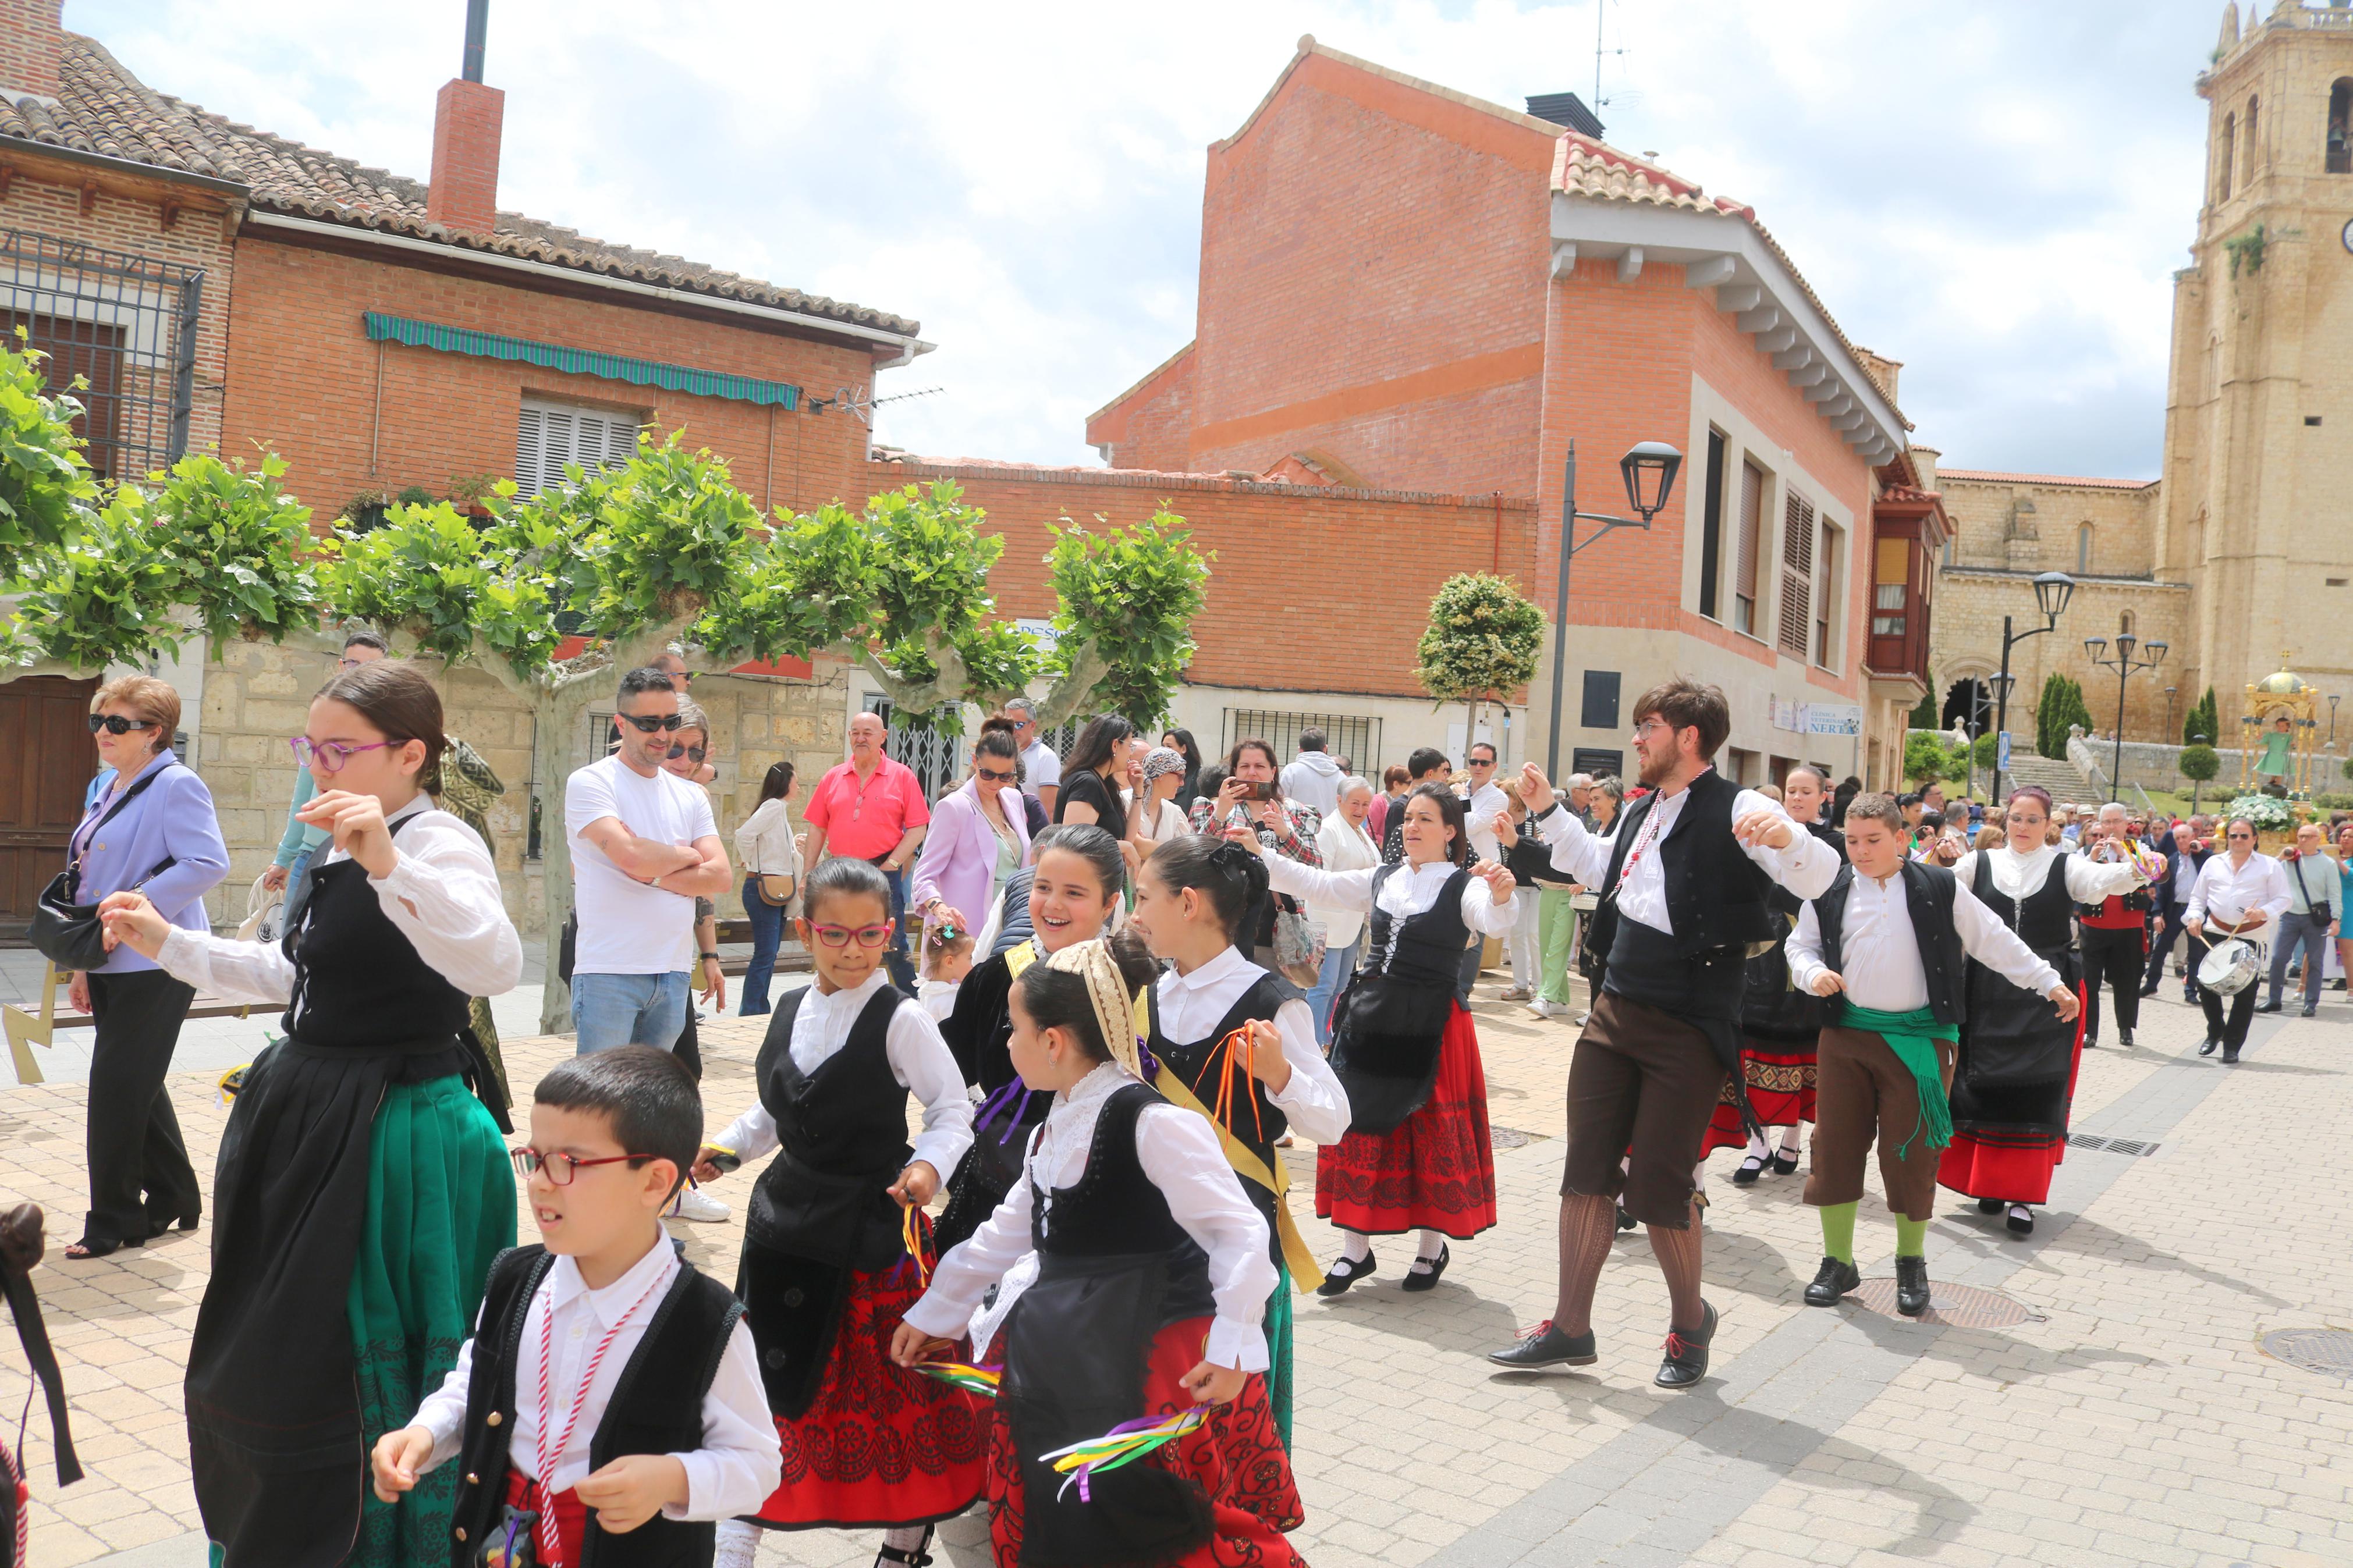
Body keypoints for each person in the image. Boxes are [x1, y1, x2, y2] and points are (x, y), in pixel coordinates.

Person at [98, 659, 519, 1563]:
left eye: (339, 748)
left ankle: (391, 1534)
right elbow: (302, 978)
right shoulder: (332, 846)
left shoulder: (439, 840)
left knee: (364, 1334)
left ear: (411, 755)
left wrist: (391, 860)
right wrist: (169, 941)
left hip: (400, 1130)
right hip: (312, 1113)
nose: (318, 766)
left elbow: (492, 965)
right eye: (310, 746)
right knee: (271, 1345)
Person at [891, 934, 1308, 1568]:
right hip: (1069, 1363)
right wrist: (933, 1314)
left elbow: (1240, 1232)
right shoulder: (1057, 1122)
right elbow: (1008, 1231)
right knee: (1072, 1528)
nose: (1006, 1043)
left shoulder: (1152, 1123)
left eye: (1016, 1029)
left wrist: (1231, 1350)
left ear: (1053, 1041)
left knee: (1158, 1529)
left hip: (1152, 1364)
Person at [1487, 680, 1838, 1389]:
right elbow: (1597, 870)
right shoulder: (1644, 810)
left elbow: (1820, 875)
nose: (1636, 739)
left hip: (1688, 1021)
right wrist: (1549, 812)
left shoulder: (1740, 804)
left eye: (1646, 726)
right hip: (1615, 1007)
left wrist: (1789, 837)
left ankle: (1688, 1322)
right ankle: (1569, 1329)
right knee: (1585, 1171)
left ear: (1686, 735)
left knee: (1659, 1187)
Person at [368, 1048, 782, 1567]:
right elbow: (475, 1383)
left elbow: (759, 1465)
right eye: (535, 1157)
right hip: (504, 1545)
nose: (540, 1181)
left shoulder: (705, 1319)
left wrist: (673, 1477)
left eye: (569, 1162)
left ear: (654, 1181)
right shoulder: (514, 1279)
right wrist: (424, 1433)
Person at [691, 858, 982, 1568]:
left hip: (871, 1234)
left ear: (891, 933)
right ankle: (737, 1538)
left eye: (870, 934)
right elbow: (775, 1109)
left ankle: (901, 1546)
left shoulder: (902, 1016)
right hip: (782, 1228)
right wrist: (723, 1151)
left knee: (893, 1397)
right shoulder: (790, 1008)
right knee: (767, 1386)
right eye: (833, 934)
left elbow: (950, 1111)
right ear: (803, 930)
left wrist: (925, 1167)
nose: (853, 950)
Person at [1787, 793, 2078, 1315]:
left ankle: (1909, 1262)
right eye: (1852, 840)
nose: (1860, 850)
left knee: (1912, 1152)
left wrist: (2048, 982)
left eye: (1873, 840)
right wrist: (1812, 974)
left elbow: (1994, 938)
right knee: (1834, 1148)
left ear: (1901, 838)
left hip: (1922, 1040)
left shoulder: (1937, 887)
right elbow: (1799, 947)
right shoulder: (1828, 889)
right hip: (1846, 1036)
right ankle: (1837, 1262)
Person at [1252, 784, 1517, 1296]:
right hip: (1371, 1019)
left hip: (1432, 1024)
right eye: (1406, 818)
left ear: (1449, 831)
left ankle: (1429, 1247)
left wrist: (1502, 893)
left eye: (1425, 818)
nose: (1411, 827)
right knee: (1355, 1127)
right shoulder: (1381, 879)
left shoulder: (1464, 886)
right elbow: (1316, 882)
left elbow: (1491, 916)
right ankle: (1354, 1251)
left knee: (1427, 1132)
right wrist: (1258, 852)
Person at [1129, 836, 1350, 1443]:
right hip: (1150, 1239)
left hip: (1235, 1251)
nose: (1135, 912)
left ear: (1189, 904)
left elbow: (1333, 1119)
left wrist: (1279, 1075)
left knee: (1226, 1433)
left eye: (1145, 897)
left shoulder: (1269, 1002)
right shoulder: (1148, 994)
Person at [59, 674, 229, 1260]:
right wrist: (80, 965)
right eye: (98, 721)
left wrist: (140, 905)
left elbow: (208, 861)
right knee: (135, 1083)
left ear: (155, 731)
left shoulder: (178, 785)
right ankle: (177, 1194)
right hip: (107, 957)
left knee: (114, 1089)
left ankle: (113, 1219)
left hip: (157, 960)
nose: (102, 732)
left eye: (117, 723)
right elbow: (89, 877)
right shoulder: (106, 784)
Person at [1937, 787, 2146, 1238]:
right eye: (2016, 817)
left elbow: (2101, 881)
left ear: (2048, 823)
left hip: (2049, 994)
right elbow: (1935, 883)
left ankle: (2021, 1195)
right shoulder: (1979, 863)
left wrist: (2137, 869)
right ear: (2005, 819)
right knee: (1981, 1086)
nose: (2022, 827)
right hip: (1985, 990)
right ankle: (1986, 1184)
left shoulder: (2065, 863)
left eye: (2032, 819)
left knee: (2037, 1090)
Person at [932, 824, 1127, 1255]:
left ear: (1110, 902)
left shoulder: (1131, 990)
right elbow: (943, 1081)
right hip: (992, 1192)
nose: (1053, 905)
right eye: (1043, 887)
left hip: (1097, 1201)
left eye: (1074, 893)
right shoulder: (993, 979)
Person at [566, 667, 731, 1053]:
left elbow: (720, 876)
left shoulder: (689, 796)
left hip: (672, 972)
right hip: (609, 973)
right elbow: (630, 855)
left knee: (652, 1106)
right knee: (601, 1104)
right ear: (621, 724)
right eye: (649, 723)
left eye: (669, 722)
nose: (662, 735)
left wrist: (653, 874)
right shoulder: (591, 783)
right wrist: (689, 856)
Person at [1705, 764, 1846, 1185]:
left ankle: (1791, 1137)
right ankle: (1757, 1143)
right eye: (1791, 791)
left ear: (1824, 795)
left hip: (1808, 959)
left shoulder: (1833, 843)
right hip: (1760, 950)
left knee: (1802, 1050)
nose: (1797, 798)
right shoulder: (1761, 832)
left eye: (1806, 791)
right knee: (1753, 1046)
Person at [264, 629, 389, 934]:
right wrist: (284, 859)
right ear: (340, 665)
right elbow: (303, 797)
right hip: (312, 855)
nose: (359, 674)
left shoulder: (389, 731)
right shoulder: (324, 720)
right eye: (353, 664)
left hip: (364, 859)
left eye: (370, 668)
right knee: (291, 947)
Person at [802, 712, 931, 994]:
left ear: (883, 737)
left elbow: (918, 827)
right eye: (855, 732)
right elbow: (817, 828)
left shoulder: (902, 776)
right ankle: (834, 997)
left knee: (892, 941)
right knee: (835, 937)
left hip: (882, 872)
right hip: (839, 874)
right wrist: (807, 873)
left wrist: (892, 863)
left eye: (868, 733)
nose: (861, 738)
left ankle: (910, 1003)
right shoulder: (833, 777)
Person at [1188, 738, 1324, 962]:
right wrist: (1220, 814)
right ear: (1234, 772)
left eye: (1260, 766)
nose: (1252, 773)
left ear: (1273, 772)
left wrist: (1286, 835)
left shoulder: (1295, 812)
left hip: (1284, 932)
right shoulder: (1214, 809)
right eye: (1245, 766)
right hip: (1231, 927)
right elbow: (1197, 858)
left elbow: (1316, 865)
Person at [910, 727, 1031, 951]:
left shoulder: (1014, 799)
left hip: (1012, 922)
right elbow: (924, 876)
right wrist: (939, 908)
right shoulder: (953, 806)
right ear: (975, 762)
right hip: (965, 929)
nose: (995, 783)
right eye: (987, 774)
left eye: (1005, 776)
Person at [661, 701, 728, 1094]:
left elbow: (712, 881)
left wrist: (710, 957)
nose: (684, 761)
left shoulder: (694, 798)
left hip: (672, 962)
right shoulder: (619, 788)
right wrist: (683, 867)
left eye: (695, 753)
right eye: (675, 749)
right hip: (618, 961)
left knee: (686, 1072)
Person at [2187, 819, 2290, 1062]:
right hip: (2214, 930)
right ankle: (2215, 1030)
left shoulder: (2270, 866)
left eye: (2244, 836)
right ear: (2227, 838)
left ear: (2255, 839)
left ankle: (2232, 1045)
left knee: (2245, 992)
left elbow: (2284, 899)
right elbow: (2198, 897)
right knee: (2205, 985)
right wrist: (2193, 917)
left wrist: (2263, 912)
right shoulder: (2213, 863)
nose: (2238, 840)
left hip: (2251, 934)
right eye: (2234, 836)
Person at [2077, 803, 2163, 1048]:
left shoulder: (2140, 848)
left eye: (2117, 822)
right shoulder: (2086, 850)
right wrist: (2092, 858)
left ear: (2127, 825)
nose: (2112, 827)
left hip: (2128, 928)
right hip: (2093, 927)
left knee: (2127, 980)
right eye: (2107, 822)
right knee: (2089, 982)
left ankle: (2126, 1029)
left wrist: (2124, 853)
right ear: (2100, 825)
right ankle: (2088, 1031)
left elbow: (2150, 873)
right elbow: (2076, 879)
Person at [1307, 775, 1381, 1045]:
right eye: (1355, 803)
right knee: (1322, 987)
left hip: (1352, 922)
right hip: (1329, 920)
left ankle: (1327, 1037)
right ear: (1339, 801)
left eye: (1366, 804)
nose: (1360, 810)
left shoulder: (1359, 830)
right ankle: (1313, 1042)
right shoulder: (1329, 829)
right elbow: (1318, 875)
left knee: (1339, 986)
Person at [734, 761, 802, 1016]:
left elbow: (769, 845)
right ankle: (752, 1010)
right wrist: (751, 859)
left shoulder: (778, 809)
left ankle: (758, 1008)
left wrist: (793, 844)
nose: (798, 787)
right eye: (795, 781)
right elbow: (744, 835)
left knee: (769, 953)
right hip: (763, 886)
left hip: (774, 886)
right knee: (765, 954)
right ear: (786, 783)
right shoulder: (774, 806)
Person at [2264, 822, 2334, 1018]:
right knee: (2278, 959)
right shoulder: (2289, 861)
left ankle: (2310, 1003)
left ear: (2318, 839)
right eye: (2300, 836)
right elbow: (2267, 874)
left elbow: (2334, 894)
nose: (2303, 840)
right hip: (2290, 917)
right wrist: (2280, 857)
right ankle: (2274, 1000)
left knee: (2314, 961)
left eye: (2308, 836)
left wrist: (2336, 919)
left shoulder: (2327, 864)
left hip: (2316, 919)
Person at [1050, 713, 1139, 849]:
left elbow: (1127, 839)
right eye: (1130, 746)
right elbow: (1073, 844)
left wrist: (1138, 793)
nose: (1131, 753)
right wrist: (1123, 847)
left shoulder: (1106, 784)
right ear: (1115, 745)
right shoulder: (1087, 784)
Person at [1381, 748, 1453, 863]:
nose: (1445, 776)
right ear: (1430, 773)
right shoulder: (1399, 807)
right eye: (1442, 771)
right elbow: (1396, 851)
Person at [1005, 696, 1063, 817]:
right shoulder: (1002, 752)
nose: (1012, 730)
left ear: (1033, 726)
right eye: (1008, 725)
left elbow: (1048, 811)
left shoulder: (1046, 757)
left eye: (1018, 725)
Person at [1132, 746, 1194, 848]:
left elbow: (1184, 854)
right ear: (1161, 774)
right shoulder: (1125, 801)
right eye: (1180, 776)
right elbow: (1138, 847)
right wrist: (1171, 850)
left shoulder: (1174, 813)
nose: (1182, 783)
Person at [1277, 726, 1346, 819]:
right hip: (1332, 832)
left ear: (1300, 749)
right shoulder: (1342, 777)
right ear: (1325, 749)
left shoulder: (1291, 772)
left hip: (1298, 831)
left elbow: (1280, 804)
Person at [918, 922, 975, 1022]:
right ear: (950, 962)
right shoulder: (950, 998)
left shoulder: (923, 991)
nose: (973, 963)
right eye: (970, 957)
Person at [1162, 727, 1205, 814]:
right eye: (1163, 747)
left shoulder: (1200, 777)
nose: (1164, 751)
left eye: (1169, 747)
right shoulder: (1160, 775)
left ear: (1184, 749)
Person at [1367, 764, 1411, 844]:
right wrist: (1390, 845)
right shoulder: (1378, 801)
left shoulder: (1406, 801)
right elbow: (1371, 832)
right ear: (1396, 785)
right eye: (1409, 783)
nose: (1412, 786)